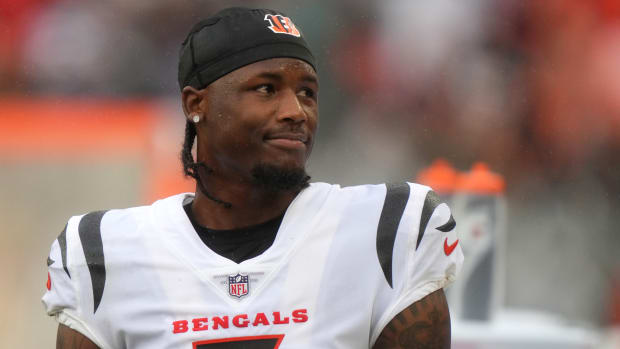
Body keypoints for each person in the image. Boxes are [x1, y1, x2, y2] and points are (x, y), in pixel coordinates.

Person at [43, 7, 463, 349]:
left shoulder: (387, 230)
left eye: (307, 92)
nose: (295, 111)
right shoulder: (104, 253)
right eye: (266, 89)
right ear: (196, 104)